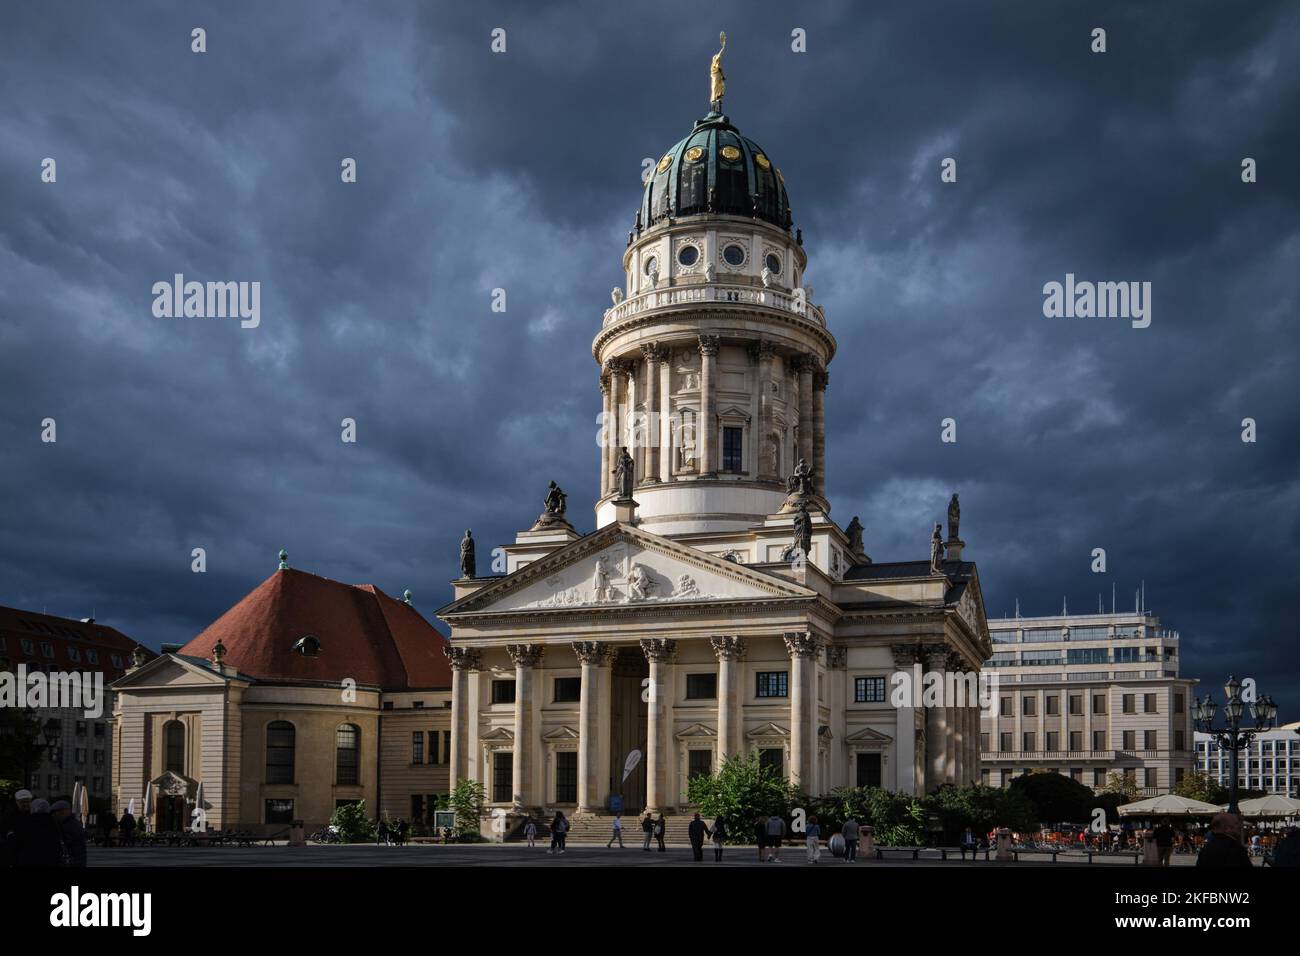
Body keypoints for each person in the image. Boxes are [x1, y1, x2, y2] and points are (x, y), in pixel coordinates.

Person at [14, 798, 64, 867]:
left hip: (30, 859)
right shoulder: (53, 822)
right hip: (50, 859)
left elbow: (19, 841)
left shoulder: (27, 822)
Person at [51, 801, 87, 867]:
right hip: (77, 859)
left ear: (63, 812)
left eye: (54, 812)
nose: (53, 815)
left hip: (74, 860)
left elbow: (67, 843)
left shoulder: (69, 825)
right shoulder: (70, 823)